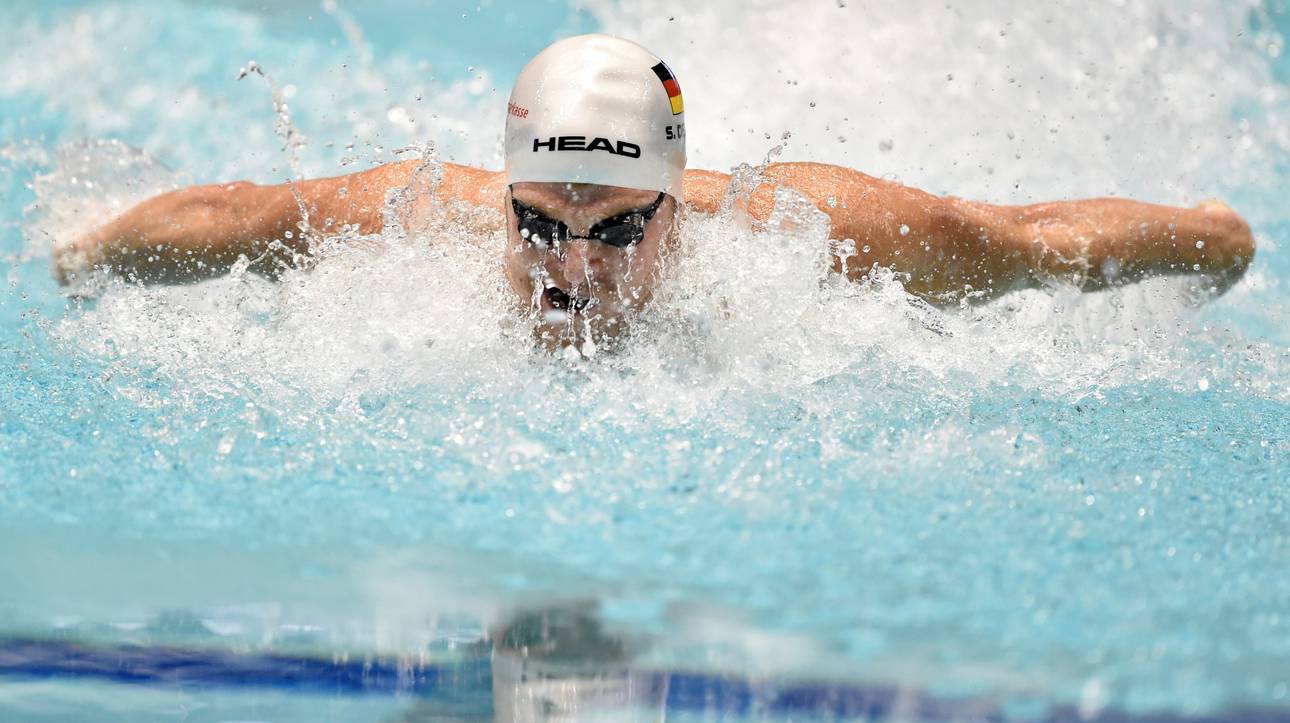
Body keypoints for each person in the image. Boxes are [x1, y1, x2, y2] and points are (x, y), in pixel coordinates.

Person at [52, 34, 1255, 349]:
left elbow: (1023, 240)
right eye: (540, 223)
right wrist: (79, 255)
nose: (575, 268)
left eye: (622, 229)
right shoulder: (414, 218)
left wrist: (1216, 240)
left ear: (678, 204)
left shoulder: (797, 234)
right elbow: (229, 220)